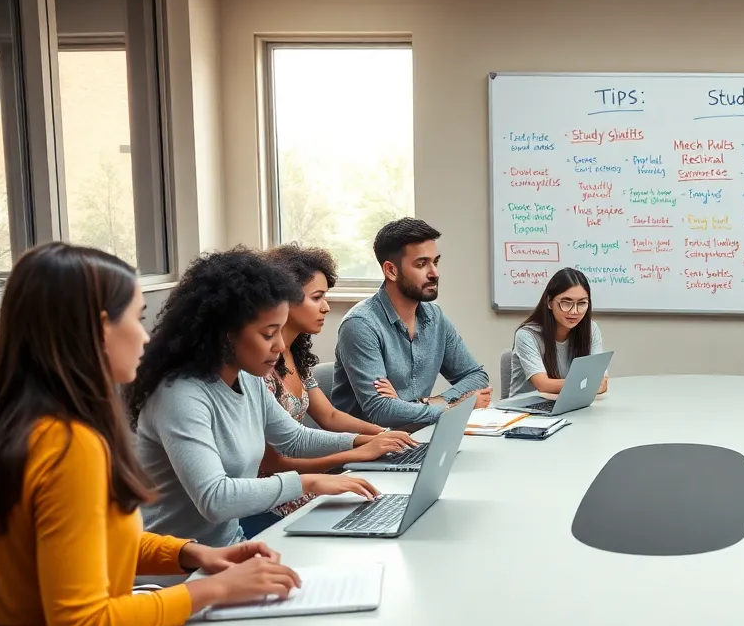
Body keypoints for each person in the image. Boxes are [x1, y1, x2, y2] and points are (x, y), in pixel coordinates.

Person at [0, 243, 303, 626]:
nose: (145, 336)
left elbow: (85, 547)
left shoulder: (40, 428)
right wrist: (212, 593)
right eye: (136, 319)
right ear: (98, 330)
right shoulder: (70, 448)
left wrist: (191, 555)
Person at [127, 247, 396, 548]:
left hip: (229, 551)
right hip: (176, 573)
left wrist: (361, 442)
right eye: (269, 334)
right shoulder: (180, 395)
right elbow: (215, 499)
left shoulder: (247, 378)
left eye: (280, 331)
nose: (281, 345)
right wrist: (308, 482)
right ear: (224, 334)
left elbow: (294, 438)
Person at [238, 244, 418, 538]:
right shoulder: (257, 370)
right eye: (317, 298)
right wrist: (358, 452)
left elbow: (330, 415)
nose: (326, 307)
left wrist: (380, 435)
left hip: (303, 482)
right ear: (285, 300)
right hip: (271, 501)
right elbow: (270, 463)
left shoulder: (294, 354)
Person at [331, 217, 492, 428]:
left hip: (417, 437)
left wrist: (427, 402)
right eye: (421, 264)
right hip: (372, 450)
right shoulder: (360, 325)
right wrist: (454, 408)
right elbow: (381, 411)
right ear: (391, 271)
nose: (435, 273)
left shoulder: (435, 318)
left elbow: (476, 377)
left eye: (435, 262)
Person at [508, 267, 608, 398]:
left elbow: (602, 382)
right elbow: (543, 385)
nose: (574, 311)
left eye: (582, 303)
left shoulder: (591, 329)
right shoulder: (527, 335)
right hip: (527, 409)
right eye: (566, 303)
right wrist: (588, 385)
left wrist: (592, 384)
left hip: (567, 402)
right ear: (549, 302)